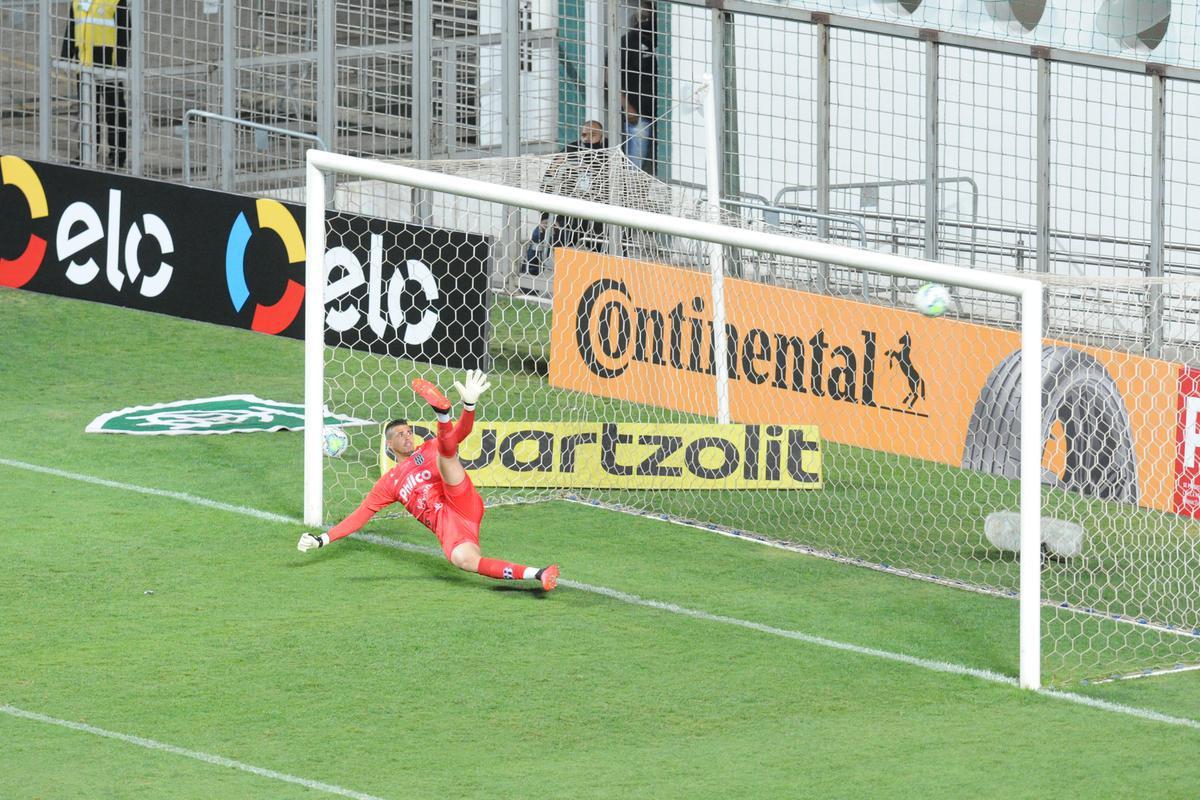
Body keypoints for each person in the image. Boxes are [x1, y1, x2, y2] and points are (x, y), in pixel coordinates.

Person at [298, 370, 560, 592]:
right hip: (447, 526)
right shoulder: (389, 483)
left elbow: (464, 431)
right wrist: (323, 539)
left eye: (409, 432)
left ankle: (442, 415)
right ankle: (539, 574)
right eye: (400, 434)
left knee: (446, 455)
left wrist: (469, 407)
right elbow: (360, 515)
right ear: (389, 444)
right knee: (465, 561)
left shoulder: (428, 448)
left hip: (459, 500)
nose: (408, 437)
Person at [524, 120, 609, 276]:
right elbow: (548, 181)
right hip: (569, 214)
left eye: (593, 135)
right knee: (540, 233)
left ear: (602, 136)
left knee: (606, 243)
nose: (587, 139)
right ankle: (530, 276)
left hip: (599, 215)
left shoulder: (609, 152)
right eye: (584, 135)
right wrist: (545, 217)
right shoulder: (571, 149)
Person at [62, 0, 129, 169]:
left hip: (109, 65)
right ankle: (87, 152)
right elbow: (72, 26)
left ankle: (118, 155)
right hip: (84, 64)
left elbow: (124, 31)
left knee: (113, 112)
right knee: (87, 112)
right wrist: (65, 55)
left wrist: (120, 64)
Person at [620, 2, 657, 173]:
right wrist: (627, 107)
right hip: (638, 116)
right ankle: (631, 188)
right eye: (639, 17)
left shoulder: (657, 41)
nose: (642, 22)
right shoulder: (629, 41)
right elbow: (609, 74)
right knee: (635, 167)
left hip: (658, 114)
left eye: (646, 17)